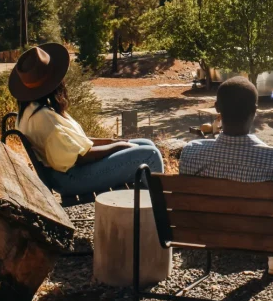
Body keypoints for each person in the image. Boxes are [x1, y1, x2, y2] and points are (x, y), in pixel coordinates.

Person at [179, 76, 273, 275]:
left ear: (217, 108)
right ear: (255, 109)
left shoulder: (191, 152)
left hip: (209, 231)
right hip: (269, 234)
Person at [9, 44, 163, 195]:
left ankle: (144, 207)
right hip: (73, 178)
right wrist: (117, 147)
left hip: (70, 172)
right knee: (150, 154)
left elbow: (78, 144)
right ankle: (159, 211)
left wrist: (112, 141)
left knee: (146, 144)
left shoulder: (33, 109)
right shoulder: (44, 118)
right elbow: (79, 158)